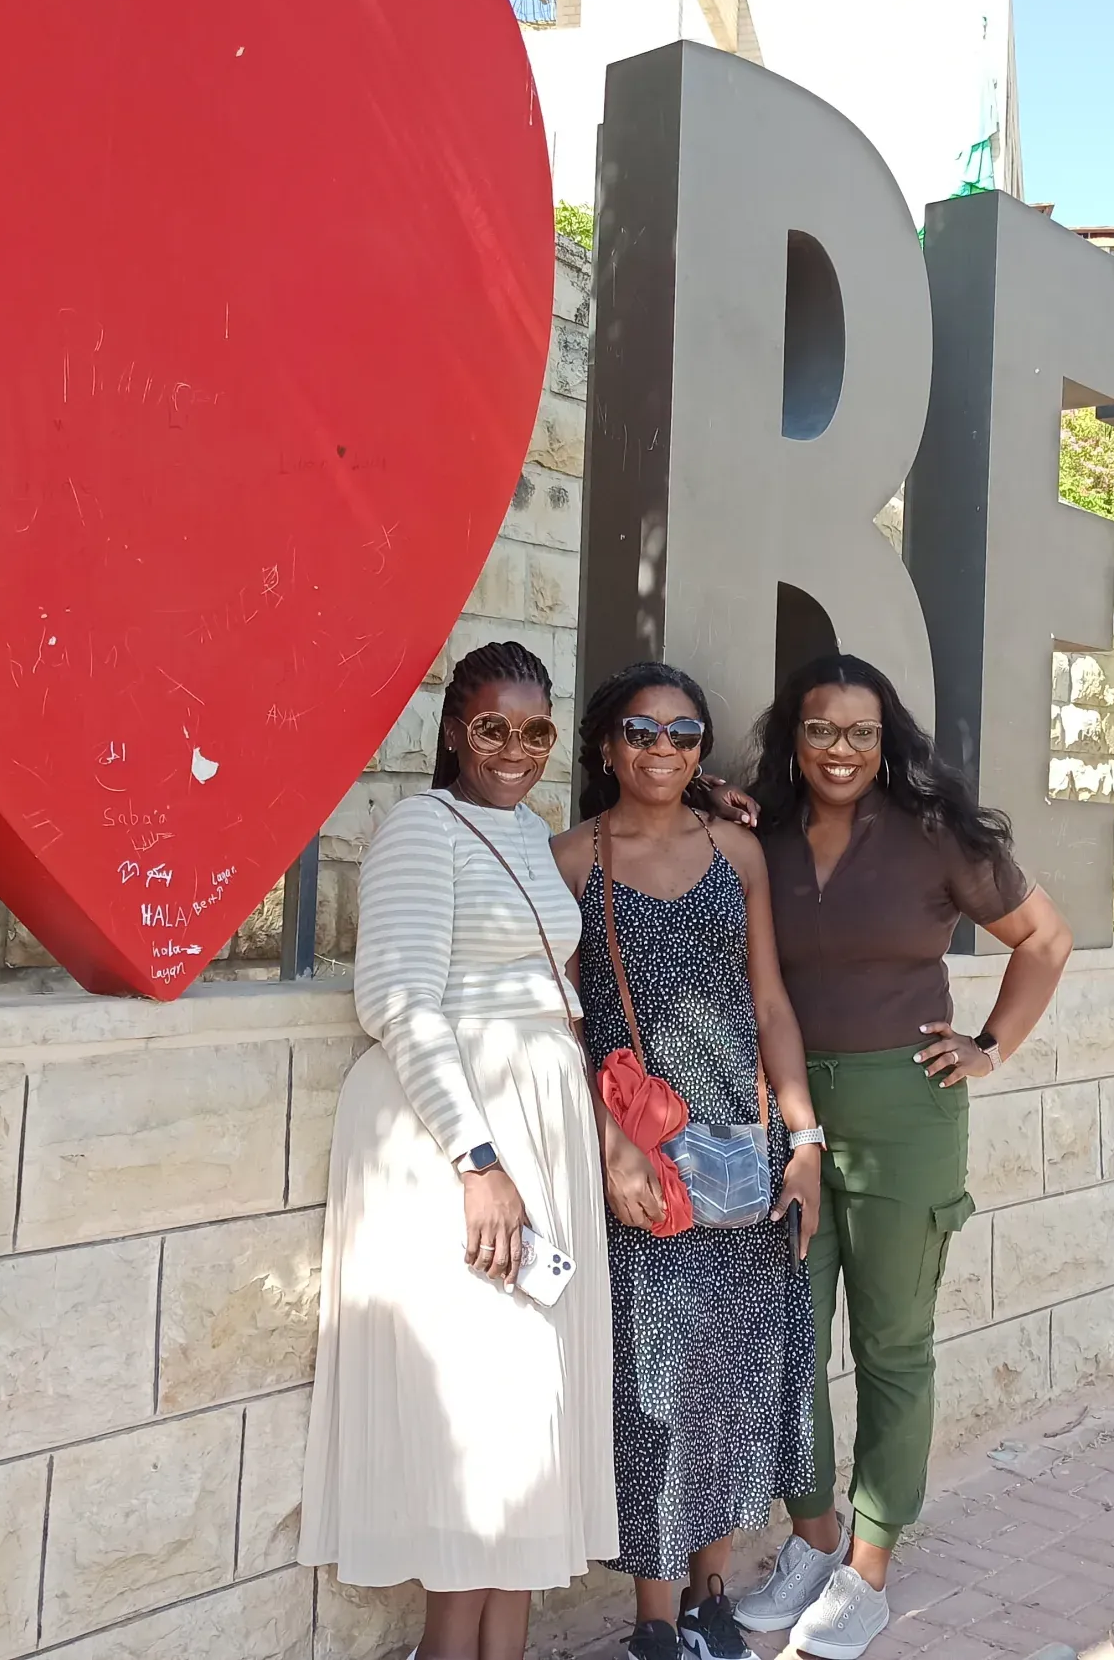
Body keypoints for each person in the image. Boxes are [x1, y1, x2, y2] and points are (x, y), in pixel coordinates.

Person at [726, 653, 1072, 1660]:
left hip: (903, 1111)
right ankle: (812, 1540)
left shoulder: (934, 837)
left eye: (861, 733)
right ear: (793, 737)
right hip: (786, 1114)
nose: (841, 750)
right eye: (821, 730)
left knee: (890, 1344)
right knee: (790, 1338)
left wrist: (990, 1048)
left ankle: (869, 1565)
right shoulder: (764, 838)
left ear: (888, 743)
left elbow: (1044, 940)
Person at [300, 641, 616, 1660]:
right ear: (452, 730)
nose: (515, 749)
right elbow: (395, 998)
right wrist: (477, 1162)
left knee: (530, 1424)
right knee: (486, 1424)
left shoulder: (527, 832)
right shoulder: (417, 832)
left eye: (534, 730)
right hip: (460, 1143)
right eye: (492, 728)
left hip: (538, 1136)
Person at [550, 662, 827, 1660]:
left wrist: (802, 1141)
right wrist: (611, 1143)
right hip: (647, 1163)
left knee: (734, 1378)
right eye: (640, 731)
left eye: (682, 735)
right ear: (605, 745)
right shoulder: (570, 858)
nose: (661, 750)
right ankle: (655, 1623)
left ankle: (712, 1595)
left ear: (702, 750)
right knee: (658, 1390)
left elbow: (770, 1004)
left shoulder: (737, 854)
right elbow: (563, 1023)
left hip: (742, 1156)